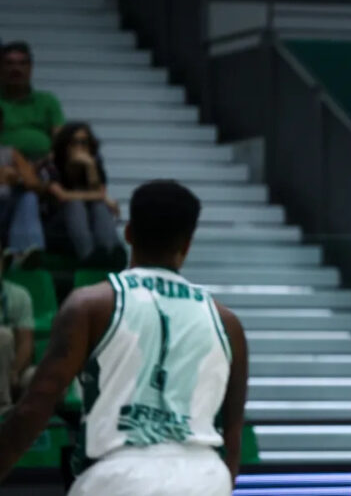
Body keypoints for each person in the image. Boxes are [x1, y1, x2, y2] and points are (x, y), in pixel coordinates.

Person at [0, 180, 249, 495]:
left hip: (118, 476)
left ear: (128, 233)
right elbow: (234, 436)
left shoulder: (91, 304)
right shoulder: (228, 323)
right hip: (206, 477)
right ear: (187, 244)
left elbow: (36, 405)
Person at [42, 123, 124, 266]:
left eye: (84, 142)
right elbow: (62, 196)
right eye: (74, 142)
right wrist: (102, 197)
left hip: (89, 223)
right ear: (65, 144)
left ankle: (111, 252)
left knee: (99, 206)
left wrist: (90, 166)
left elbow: (99, 192)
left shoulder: (93, 162)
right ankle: (88, 256)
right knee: (75, 204)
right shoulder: (52, 163)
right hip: (57, 226)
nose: (79, 147)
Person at [0, 42, 65, 163]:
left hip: (43, 162)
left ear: (30, 67)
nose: (16, 69)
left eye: (22, 63)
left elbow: (60, 139)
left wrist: (49, 159)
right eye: (9, 63)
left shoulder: (47, 101)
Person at [0, 106, 46, 269]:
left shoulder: (9, 153)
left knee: (29, 198)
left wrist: (16, 177)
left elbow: (35, 184)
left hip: (6, 211)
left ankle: (24, 254)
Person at [0, 250, 35, 414]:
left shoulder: (19, 295)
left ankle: (40, 430)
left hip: (11, 369)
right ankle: (3, 408)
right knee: (4, 336)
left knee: (38, 377)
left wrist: (14, 371)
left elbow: (26, 342)